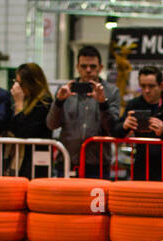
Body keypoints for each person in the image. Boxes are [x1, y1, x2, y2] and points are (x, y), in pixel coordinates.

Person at [47, 45, 121, 179]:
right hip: (67, 161)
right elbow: (52, 124)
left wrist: (102, 103)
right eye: (84, 66)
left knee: (97, 200)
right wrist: (58, 102)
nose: (88, 70)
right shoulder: (65, 89)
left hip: (97, 163)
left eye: (93, 67)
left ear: (100, 68)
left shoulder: (111, 91)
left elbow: (112, 129)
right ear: (77, 67)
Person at [114, 65, 163, 182]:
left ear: (162, 86)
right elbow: (115, 133)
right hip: (142, 166)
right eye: (143, 86)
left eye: (151, 86)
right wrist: (124, 126)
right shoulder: (133, 105)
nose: (147, 90)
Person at [8, 62, 55, 178]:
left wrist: (18, 104)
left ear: (31, 83)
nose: (17, 87)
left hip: (37, 161)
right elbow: (13, 128)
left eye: (20, 83)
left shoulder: (44, 102)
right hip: (21, 159)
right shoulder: (26, 100)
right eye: (16, 82)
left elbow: (24, 132)